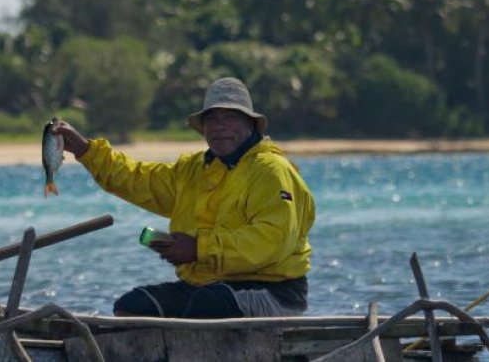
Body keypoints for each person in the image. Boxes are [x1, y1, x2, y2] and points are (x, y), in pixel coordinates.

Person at [53, 77, 315, 319]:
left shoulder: (271, 170)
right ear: (203, 128)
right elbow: (138, 179)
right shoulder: (192, 169)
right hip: (206, 286)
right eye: (212, 119)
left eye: (230, 117)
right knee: (132, 305)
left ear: (250, 123)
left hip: (274, 291)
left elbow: (273, 241)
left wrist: (198, 248)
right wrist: (85, 150)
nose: (220, 126)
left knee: (207, 305)